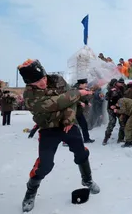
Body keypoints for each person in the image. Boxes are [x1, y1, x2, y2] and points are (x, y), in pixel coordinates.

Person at [18, 59, 99, 212]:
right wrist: (77, 93)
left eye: (42, 78)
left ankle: (87, 179)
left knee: (81, 152)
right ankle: (30, 192)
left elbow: (70, 102)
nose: (42, 82)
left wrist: (69, 118)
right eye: (36, 82)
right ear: (29, 83)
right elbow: (54, 103)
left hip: (67, 125)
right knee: (45, 164)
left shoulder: (57, 80)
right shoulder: (29, 95)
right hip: (48, 128)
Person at [103, 78, 125, 145]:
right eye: (119, 83)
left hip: (119, 108)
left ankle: (120, 138)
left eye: (122, 83)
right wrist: (110, 92)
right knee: (112, 123)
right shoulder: (111, 89)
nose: (121, 84)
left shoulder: (122, 88)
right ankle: (106, 138)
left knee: (122, 122)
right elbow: (106, 98)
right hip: (111, 108)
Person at [74, 79, 95, 143]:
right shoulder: (74, 90)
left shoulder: (82, 90)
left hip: (78, 111)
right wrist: (80, 103)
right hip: (72, 112)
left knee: (84, 125)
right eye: (85, 84)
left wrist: (86, 103)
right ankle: (66, 141)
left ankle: (86, 139)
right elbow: (72, 99)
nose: (86, 85)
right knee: (71, 126)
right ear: (81, 84)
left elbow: (82, 98)